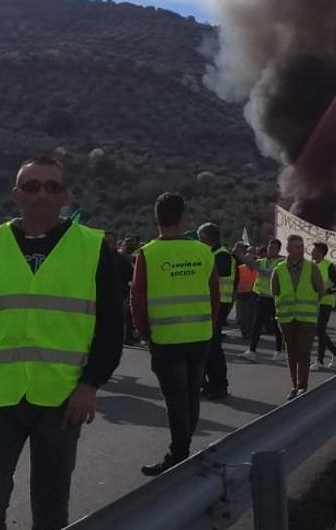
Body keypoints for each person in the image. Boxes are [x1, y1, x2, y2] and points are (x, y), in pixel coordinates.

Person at [0, 156, 124, 530]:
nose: (42, 194)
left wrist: (91, 383)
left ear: (65, 195)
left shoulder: (91, 246)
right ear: (16, 194)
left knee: (51, 508)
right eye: (32, 186)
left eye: (52, 186)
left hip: (61, 397)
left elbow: (112, 326)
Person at [130, 192, 216, 476]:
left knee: (176, 399)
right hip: (200, 336)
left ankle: (178, 454)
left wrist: (144, 332)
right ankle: (184, 448)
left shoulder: (148, 253)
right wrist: (209, 325)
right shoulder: (204, 252)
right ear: (183, 218)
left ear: (156, 217)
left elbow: (137, 299)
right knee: (191, 394)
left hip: (166, 339)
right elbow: (214, 295)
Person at [273, 235, 324, 399]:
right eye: (296, 247)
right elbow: (274, 292)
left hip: (306, 318)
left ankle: (302, 386)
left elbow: (320, 290)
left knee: (303, 352)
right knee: (291, 353)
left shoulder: (311, 268)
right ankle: (294, 385)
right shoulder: (279, 269)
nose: (300, 250)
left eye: (301, 247)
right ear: (287, 250)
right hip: (286, 318)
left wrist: (311, 304)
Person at [199, 223, 235, 400]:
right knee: (206, 346)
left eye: (201, 238)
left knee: (213, 348)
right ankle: (206, 383)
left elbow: (221, 271)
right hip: (209, 304)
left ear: (206, 238)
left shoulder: (222, 255)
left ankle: (219, 384)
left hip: (219, 304)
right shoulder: (210, 254)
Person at [239, 238, 285, 362]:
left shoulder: (282, 262)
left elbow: (269, 273)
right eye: (270, 247)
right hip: (262, 297)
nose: (271, 250)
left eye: (274, 248)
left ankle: (279, 351)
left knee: (277, 326)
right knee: (257, 324)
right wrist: (240, 255)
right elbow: (249, 264)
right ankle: (252, 350)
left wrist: (255, 266)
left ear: (279, 249)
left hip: (275, 298)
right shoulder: (263, 260)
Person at [312, 242, 336, 369]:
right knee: (318, 330)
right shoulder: (312, 265)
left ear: (320, 252)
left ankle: (321, 360)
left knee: (319, 330)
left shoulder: (328, 265)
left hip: (326, 301)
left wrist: (327, 291)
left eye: (314, 250)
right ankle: (334, 354)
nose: (312, 252)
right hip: (314, 302)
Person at [233, 244, 258, 340]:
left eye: (253, 253)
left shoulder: (257, 267)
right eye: (249, 252)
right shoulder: (240, 268)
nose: (251, 255)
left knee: (251, 314)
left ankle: (249, 331)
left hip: (253, 293)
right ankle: (245, 331)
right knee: (243, 314)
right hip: (242, 293)